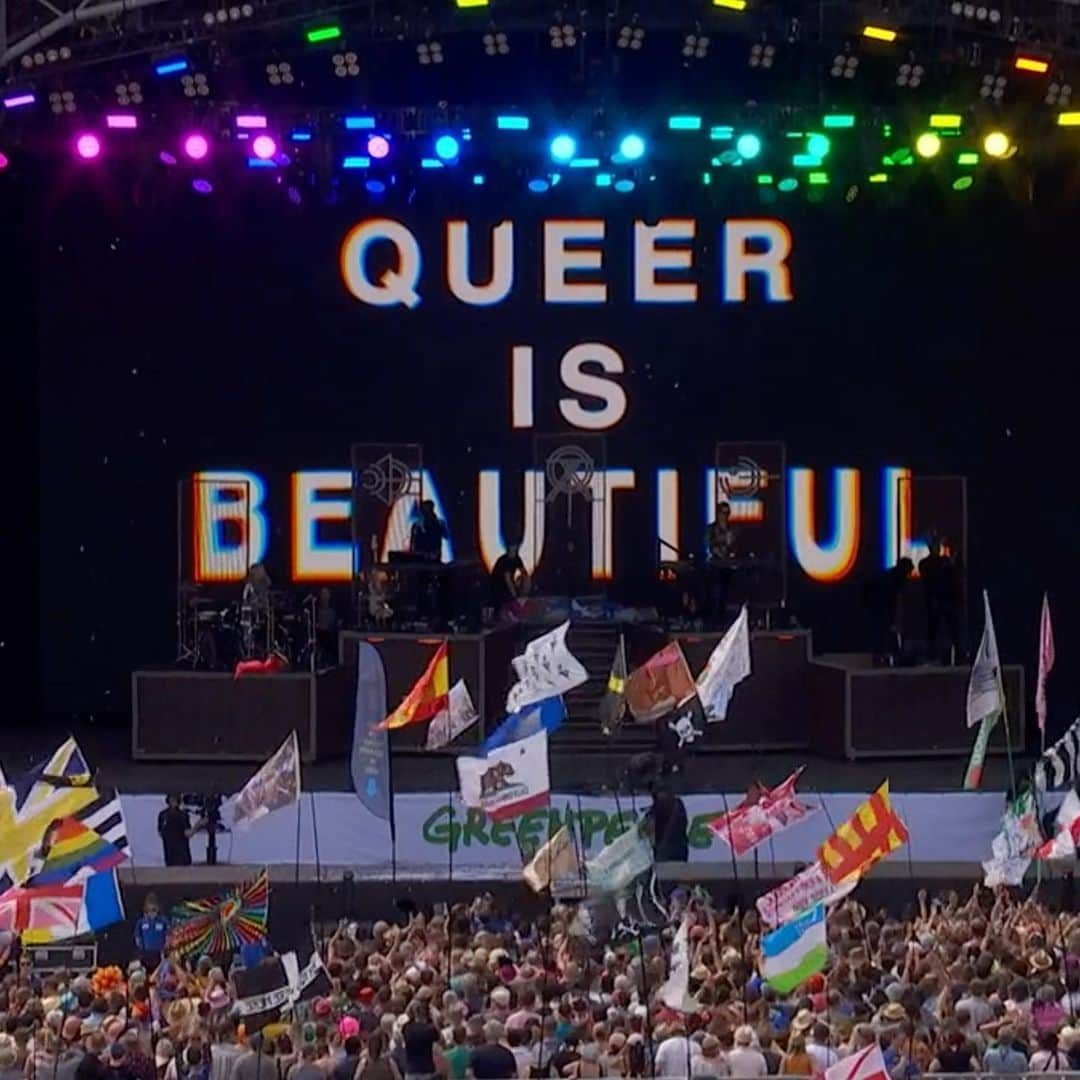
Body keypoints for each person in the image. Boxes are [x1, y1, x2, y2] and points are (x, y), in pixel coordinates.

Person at [704, 502, 736, 621]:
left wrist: (731, 546)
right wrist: (720, 553)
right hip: (715, 566)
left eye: (727, 513)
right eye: (723, 513)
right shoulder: (711, 529)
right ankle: (714, 617)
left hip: (728, 566)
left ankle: (724, 615)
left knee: (726, 592)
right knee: (716, 591)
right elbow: (711, 546)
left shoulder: (732, 529)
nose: (725, 516)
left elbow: (735, 547)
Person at [401, 1002, 443, 1080]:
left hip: (410, 1070)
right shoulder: (430, 1029)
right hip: (426, 1069)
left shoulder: (407, 1027)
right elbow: (441, 1040)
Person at [489, 542, 526, 618]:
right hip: (498, 588)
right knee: (502, 607)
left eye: (515, 547)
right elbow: (507, 580)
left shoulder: (517, 559)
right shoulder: (504, 561)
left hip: (508, 588)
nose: (513, 549)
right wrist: (514, 595)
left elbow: (524, 573)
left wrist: (525, 587)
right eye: (511, 547)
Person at [133, 894, 169, 972]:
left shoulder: (163, 921)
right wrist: (141, 950)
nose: (152, 912)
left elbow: (168, 936)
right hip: (145, 953)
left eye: (154, 909)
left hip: (159, 953)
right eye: (149, 910)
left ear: (158, 908)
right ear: (146, 909)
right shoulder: (141, 922)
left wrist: (165, 950)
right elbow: (137, 937)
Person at [157, 795, 195, 867]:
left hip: (178, 856)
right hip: (174, 855)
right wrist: (198, 825)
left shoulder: (182, 815)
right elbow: (161, 832)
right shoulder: (164, 815)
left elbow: (187, 833)